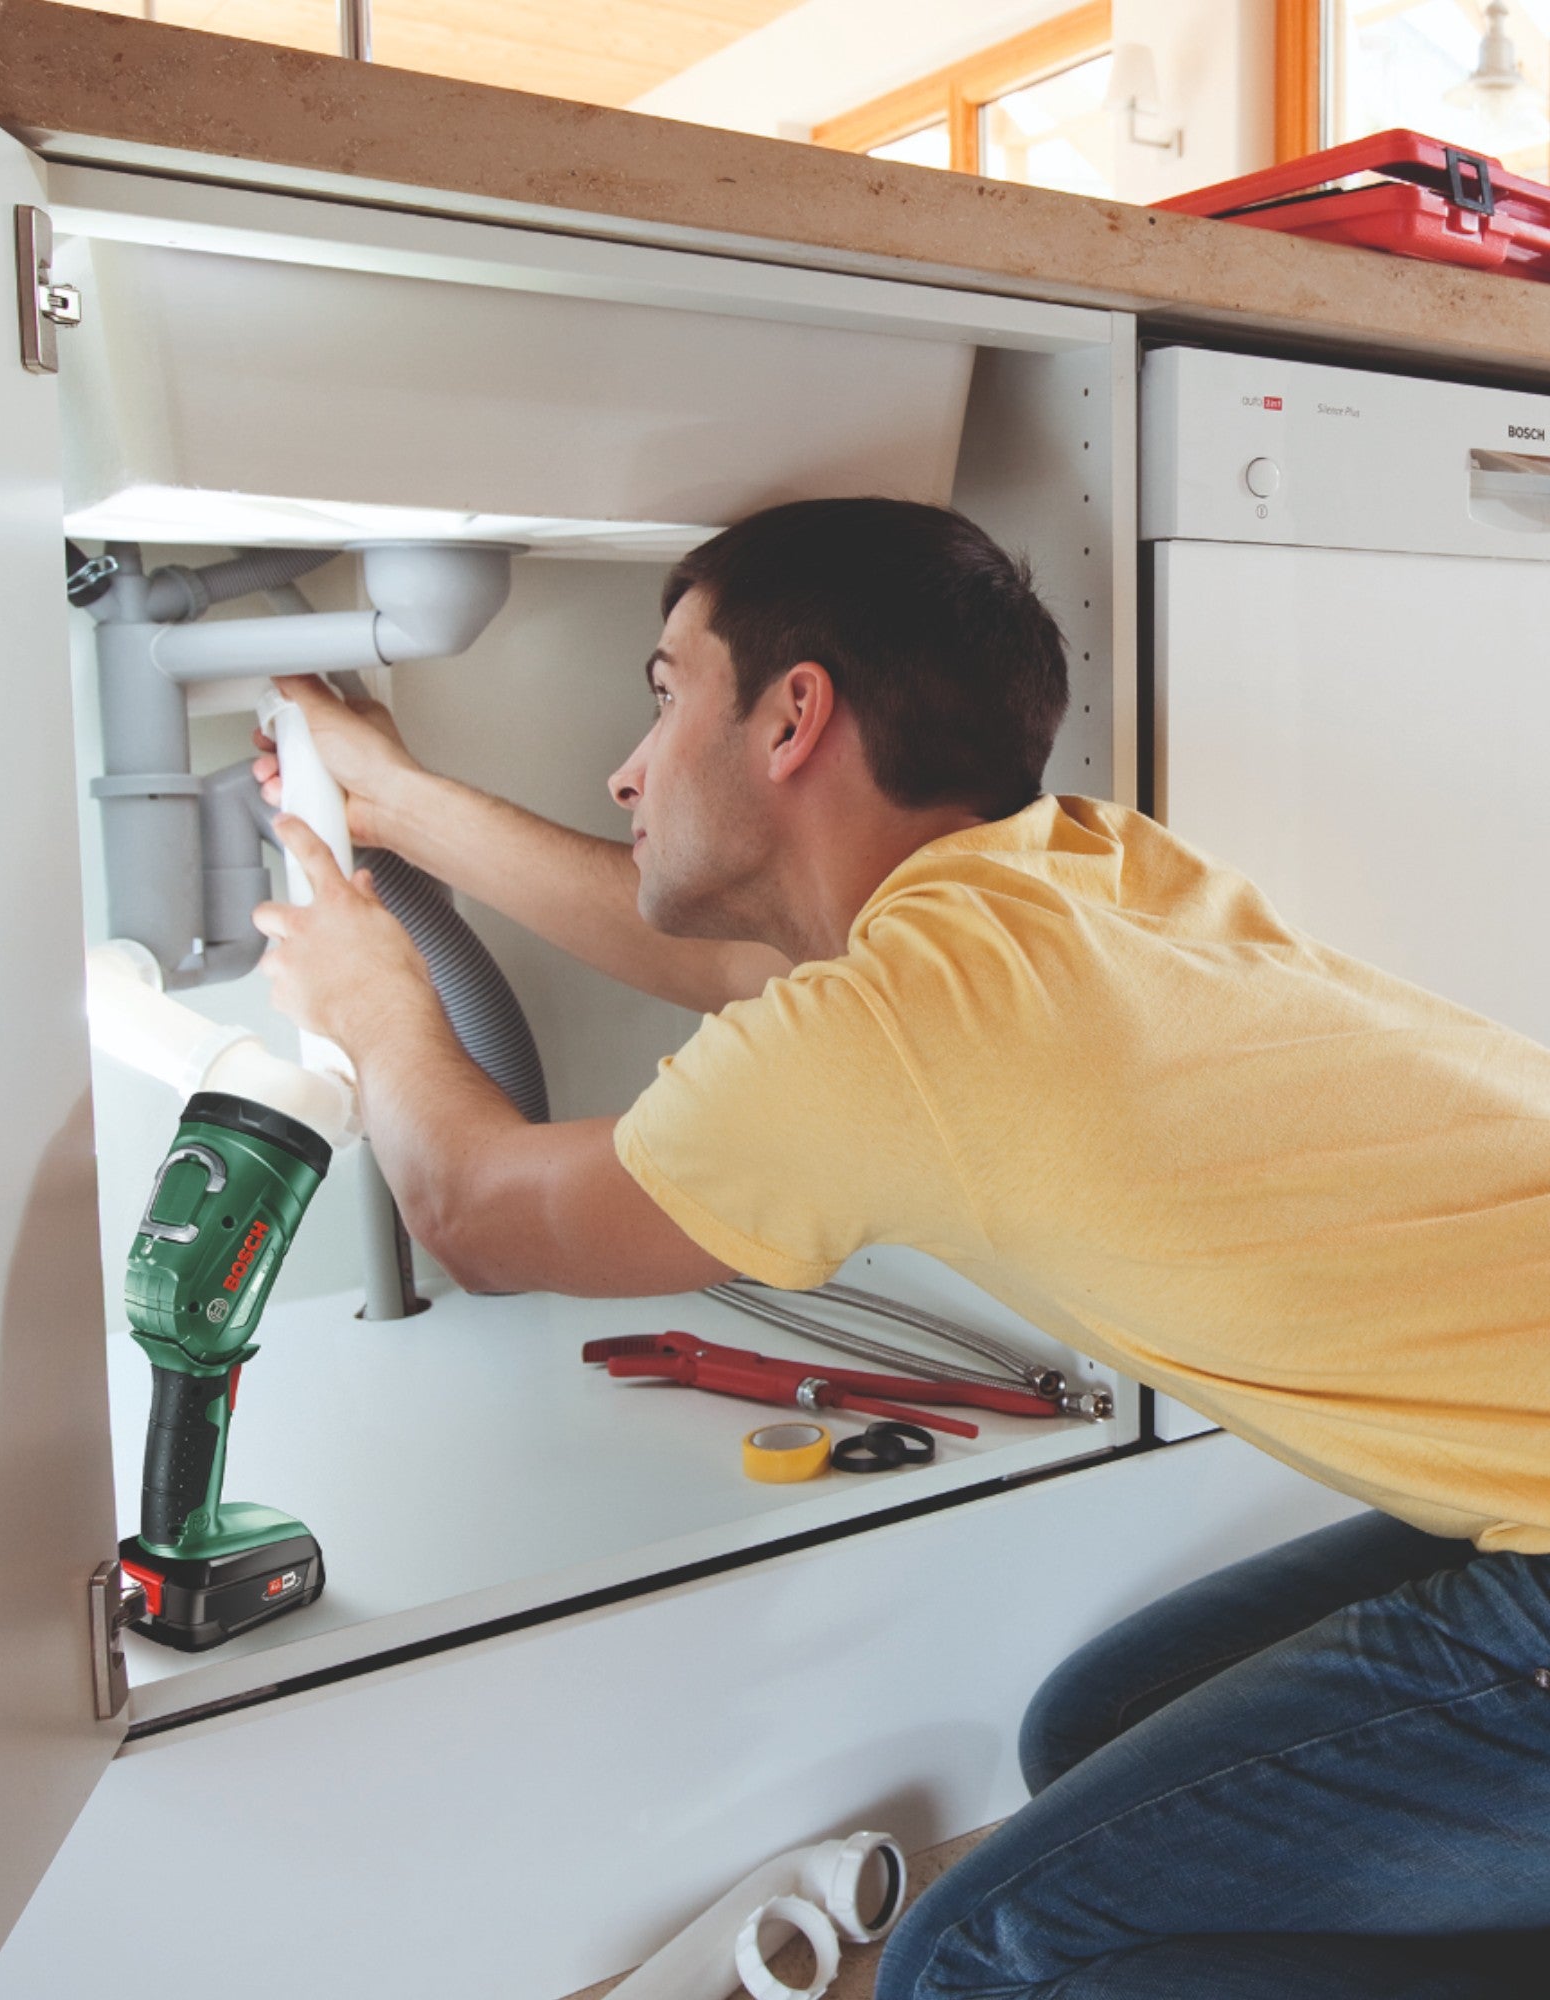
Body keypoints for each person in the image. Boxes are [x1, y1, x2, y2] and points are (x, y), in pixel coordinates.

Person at [248, 497, 1550, 1998]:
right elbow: (726, 964)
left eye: (665, 695)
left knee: (977, 1959)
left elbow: (476, 1215)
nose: (627, 767)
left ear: (794, 715)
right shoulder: (1073, 876)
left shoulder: (903, 1027)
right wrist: (402, 807)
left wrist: (368, 1000)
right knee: (1098, 1729)